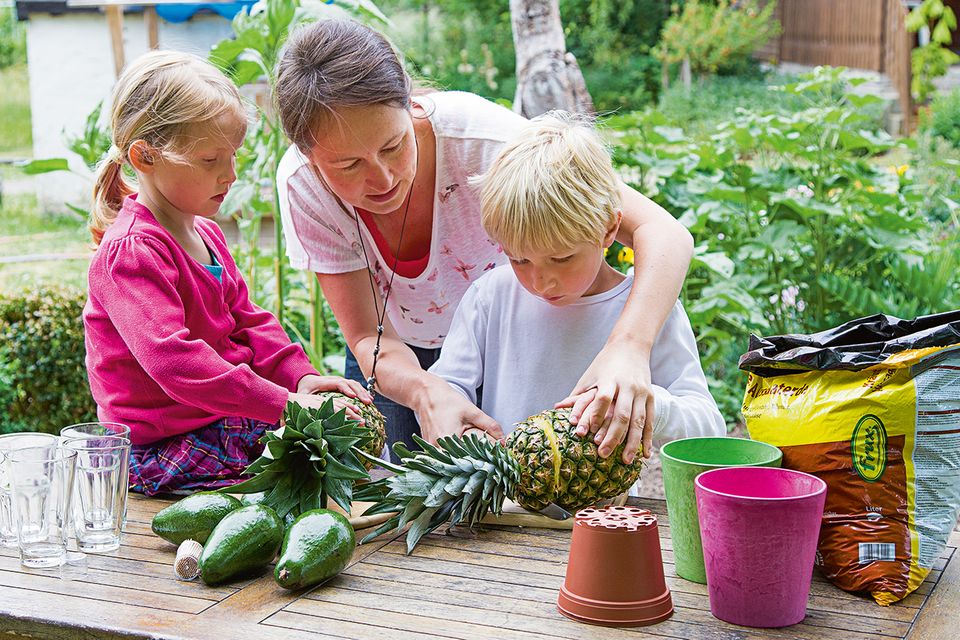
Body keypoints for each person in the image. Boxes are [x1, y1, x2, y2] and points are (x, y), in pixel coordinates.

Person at [274, 19, 694, 461]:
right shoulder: (304, 188)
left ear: (410, 103)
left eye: (393, 145)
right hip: (394, 351)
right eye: (347, 166)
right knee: (406, 496)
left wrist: (628, 349)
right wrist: (424, 391)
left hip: (497, 338)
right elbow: (365, 336)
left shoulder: (486, 141)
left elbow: (663, 232)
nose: (381, 178)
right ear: (308, 155)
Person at [83, 51, 371, 496]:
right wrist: (287, 405)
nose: (231, 174)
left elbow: (249, 320)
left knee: (332, 457)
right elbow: (175, 363)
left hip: (222, 422)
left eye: (233, 155)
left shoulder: (207, 234)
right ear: (145, 157)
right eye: (209, 160)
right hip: (163, 447)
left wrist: (300, 378)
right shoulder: (132, 252)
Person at [430, 113, 726, 462]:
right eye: (519, 260)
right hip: (503, 511)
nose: (540, 282)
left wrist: (652, 406)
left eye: (562, 258)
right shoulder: (489, 297)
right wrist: (466, 432)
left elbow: (710, 429)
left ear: (608, 230)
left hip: (607, 514)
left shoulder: (645, 308)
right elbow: (447, 390)